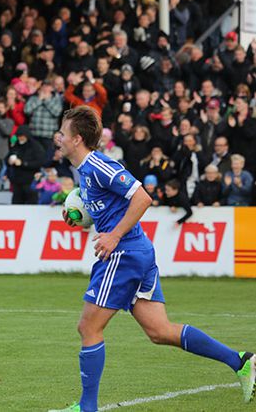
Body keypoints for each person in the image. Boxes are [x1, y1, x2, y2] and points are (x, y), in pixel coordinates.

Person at [49, 106, 255, 412]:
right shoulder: (86, 173)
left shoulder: (99, 165)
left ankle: (87, 407)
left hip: (124, 254)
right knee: (160, 331)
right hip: (136, 251)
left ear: (77, 138)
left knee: (88, 327)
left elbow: (143, 197)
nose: (59, 138)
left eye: (62, 133)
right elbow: (108, 208)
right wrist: (80, 218)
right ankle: (240, 362)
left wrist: (113, 235)